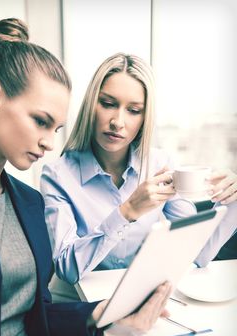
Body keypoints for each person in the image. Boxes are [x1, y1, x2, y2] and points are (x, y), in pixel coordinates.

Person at [0, 19, 173, 336]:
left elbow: (35, 317)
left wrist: (102, 314)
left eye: (56, 129)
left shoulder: (29, 202)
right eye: (41, 121)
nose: (48, 143)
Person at [40, 53, 237, 306]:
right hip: (80, 314)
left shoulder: (158, 165)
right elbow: (67, 268)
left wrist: (232, 200)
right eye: (108, 103)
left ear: (145, 118)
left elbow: (198, 254)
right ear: (91, 104)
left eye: (133, 110)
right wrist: (127, 211)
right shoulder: (58, 176)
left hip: (138, 306)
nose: (117, 122)